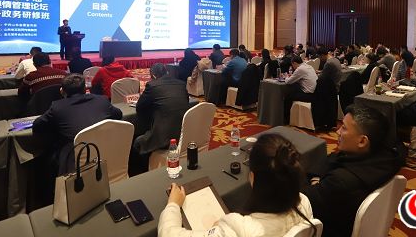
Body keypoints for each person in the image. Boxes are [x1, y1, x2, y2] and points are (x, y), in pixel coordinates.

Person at [159, 133, 316, 237]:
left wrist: (173, 205)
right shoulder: (304, 203)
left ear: (253, 177)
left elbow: (168, 234)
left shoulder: (239, 228)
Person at [302, 105, 404, 237]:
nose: (338, 131)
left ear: (362, 141)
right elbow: (332, 158)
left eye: (344, 128)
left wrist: (316, 182)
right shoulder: (388, 158)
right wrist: (318, 179)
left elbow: (303, 200)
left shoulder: (341, 181)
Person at [32, 74, 123, 175]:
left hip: (75, 163)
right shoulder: (102, 100)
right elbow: (119, 114)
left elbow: (37, 126)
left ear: (62, 91)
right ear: (85, 89)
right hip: (108, 153)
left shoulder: (57, 107)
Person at [130, 63, 190, 175]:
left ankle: (140, 175)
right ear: (166, 72)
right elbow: (186, 101)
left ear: (153, 75)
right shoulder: (181, 83)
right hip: (184, 133)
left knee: (138, 142)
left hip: (165, 137)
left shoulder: (152, 85)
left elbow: (140, 108)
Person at [283, 55, 317, 123]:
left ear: (294, 63)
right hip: (315, 92)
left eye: (292, 65)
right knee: (294, 88)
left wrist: (286, 76)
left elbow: (288, 82)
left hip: (308, 95)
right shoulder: (309, 66)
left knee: (287, 97)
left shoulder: (300, 69)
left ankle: (286, 119)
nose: (292, 67)